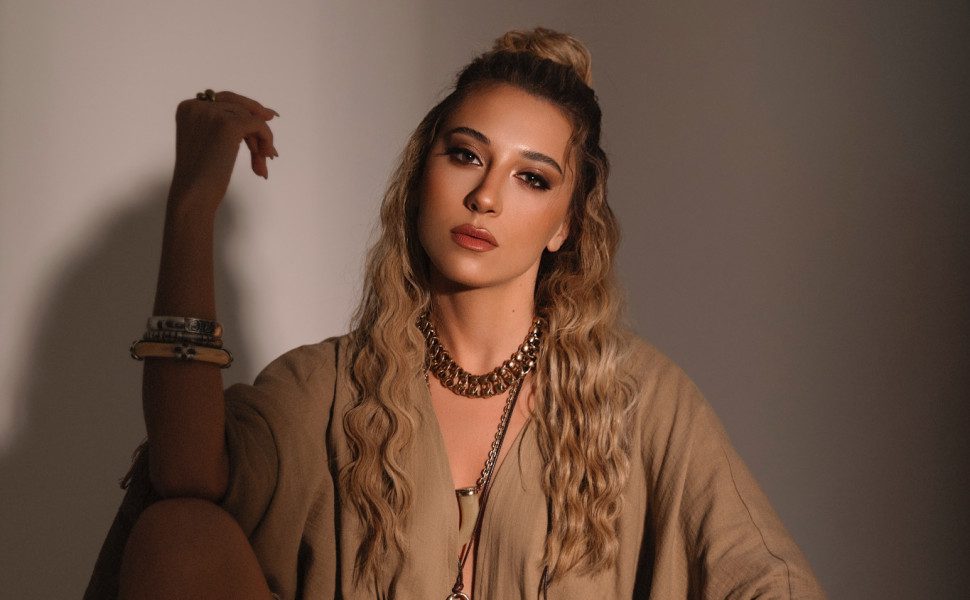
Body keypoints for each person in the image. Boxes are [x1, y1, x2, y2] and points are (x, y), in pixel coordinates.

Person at [85, 28, 826, 600]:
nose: (486, 197)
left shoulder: (636, 399)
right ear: (422, 174)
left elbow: (767, 577)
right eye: (467, 155)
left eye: (532, 178)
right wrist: (192, 208)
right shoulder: (327, 389)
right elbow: (186, 476)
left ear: (566, 224)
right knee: (177, 533)